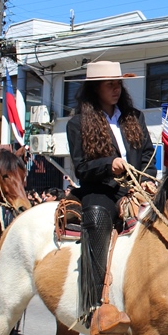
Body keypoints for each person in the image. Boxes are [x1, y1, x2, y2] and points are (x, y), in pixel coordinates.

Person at [66, 61, 156, 225]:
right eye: (110, 84)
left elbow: (147, 154)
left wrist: (146, 179)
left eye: (118, 84)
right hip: (101, 192)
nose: (116, 89)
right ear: (95, 88)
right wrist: (109, 165)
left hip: (136, 188)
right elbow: (81, 168)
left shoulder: (135, 117)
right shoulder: (77, 124)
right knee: (97, 219)